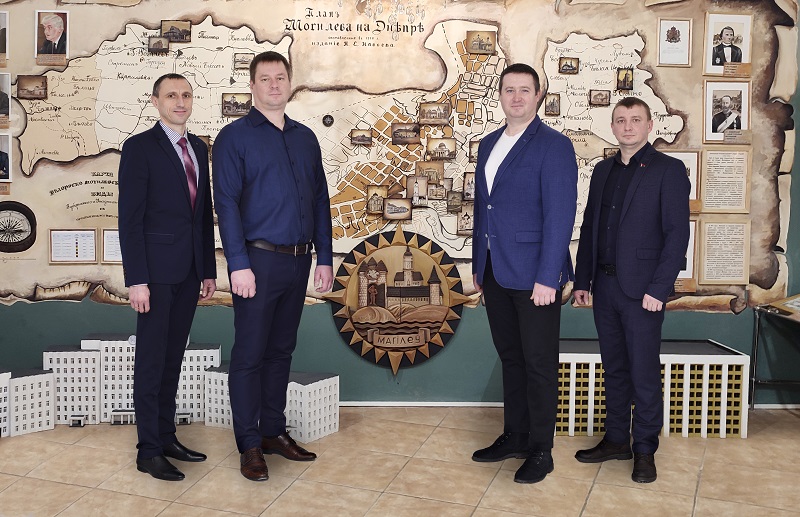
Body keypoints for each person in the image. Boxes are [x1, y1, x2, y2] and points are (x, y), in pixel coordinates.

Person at [213, 51, 333, 482]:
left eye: (280, 77)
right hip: (257, 262)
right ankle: (248, 444)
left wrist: (325, 257)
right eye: (265, 79)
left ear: (289, 82)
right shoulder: (233, 138)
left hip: (299, 262)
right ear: (252, 86)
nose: (274, 85)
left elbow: (320, 200)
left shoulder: (305, 138)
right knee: (249, 355)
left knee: (281, 351)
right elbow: (226, 204)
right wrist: (238, 264)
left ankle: (272, 431)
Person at [573, 97, 690, 483]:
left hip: (643, 292)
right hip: (604, 287)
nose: (627, 126)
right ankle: (616, 440)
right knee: (614, 369)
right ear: (612, 126)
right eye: (621, 120)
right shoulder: (602, 170)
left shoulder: (668, 170)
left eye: (635, 120)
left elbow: (677, 234)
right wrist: (583, 280)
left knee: (643, 371)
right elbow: (590, 227)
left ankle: (644, 449)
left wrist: (659, 287)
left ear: (649, 125)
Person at [470, 63, 577, 484]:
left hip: (536, 277)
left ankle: (541, 450)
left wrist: (548, 276)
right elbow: (485, 209)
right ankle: (515, 435)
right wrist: (479, 264)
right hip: (495, 271)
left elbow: (560, 215)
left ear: (537, 96)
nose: (516, 97)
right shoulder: (488, 144)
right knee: (511, 358)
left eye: (524, 90)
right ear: (499, 95)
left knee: (539, 364)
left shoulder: (554, 146)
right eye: (509, 90)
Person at [118, 73, 217, 481]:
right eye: (171, 95)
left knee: (173, 357)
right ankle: (148, 450)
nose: (180, 101)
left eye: (186, 95)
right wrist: (137, 280)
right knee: (151, 361)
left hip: (189, 272)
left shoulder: (198, 147)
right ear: (155, 101)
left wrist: (207, 270)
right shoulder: (139, 147)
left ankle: (166, 436)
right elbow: (130, 219)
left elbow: (202, 214)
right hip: (155, 276)